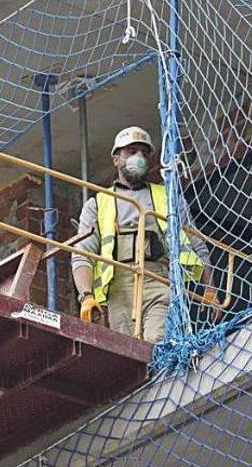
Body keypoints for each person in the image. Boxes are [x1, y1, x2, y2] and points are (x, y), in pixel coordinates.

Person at [71, 126, 218, 343]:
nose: (139, 157)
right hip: (120, 287)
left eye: (143, 152)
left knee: (156, 340)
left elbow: (196, 243)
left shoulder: (168, 197)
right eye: (131, 151)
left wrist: (210, 288)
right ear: (117, 160)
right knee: (126, 349)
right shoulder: (98, 204)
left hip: (158, 278)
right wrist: (86, 296)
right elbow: (83, 253)